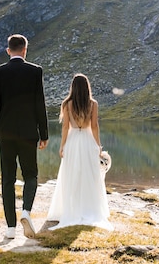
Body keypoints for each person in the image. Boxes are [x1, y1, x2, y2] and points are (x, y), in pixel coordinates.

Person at [0, 34, 49, 239]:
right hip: (29, 133)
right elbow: (39, 104)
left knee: (8, 179)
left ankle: (11, 228)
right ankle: (26, 211)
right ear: (25, 50)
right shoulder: (35, 71)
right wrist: (44, 134)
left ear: (8, 50)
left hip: (6, 133)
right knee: (31, 175)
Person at [46, 73, 112, 230]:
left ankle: (71, 208)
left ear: (73, 88)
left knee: (71, 175)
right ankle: (90, 208)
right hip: (89, 142)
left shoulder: (67, 104)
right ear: (87, 87)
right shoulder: (93, 104)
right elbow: (94, 126)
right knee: (90, 176)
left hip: (73, 141)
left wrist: (62, 146)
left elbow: (65, 127)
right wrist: (98, 146)